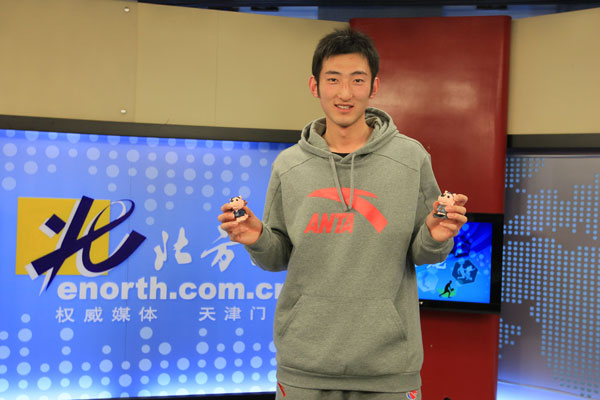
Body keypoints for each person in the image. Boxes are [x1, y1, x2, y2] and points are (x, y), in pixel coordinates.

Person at [218, 28, 468, 400]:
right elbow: (277, 257)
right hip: (304, 365)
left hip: (389, 368)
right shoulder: (289, 165)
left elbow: (423, 252)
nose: (345, 93)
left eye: (357, 80)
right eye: (333, 79)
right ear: (315, 86)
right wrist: (256, 239)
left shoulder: (411, 158)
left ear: (374, 86)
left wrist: (435, 235)